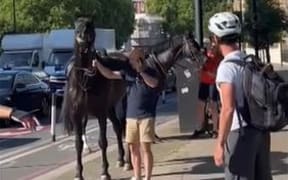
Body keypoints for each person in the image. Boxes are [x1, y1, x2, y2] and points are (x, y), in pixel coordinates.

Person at [209, 12, 272, 179]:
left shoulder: (226, 67)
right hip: (260, 131)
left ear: (216, 38)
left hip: (240, 134)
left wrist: (220, 144)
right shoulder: (250, 60)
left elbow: (228, 109)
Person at [92, 48, 160, 180]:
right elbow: (110, 74)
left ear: (139, 61)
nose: (130, 64)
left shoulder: (151, 72)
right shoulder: (127, 72)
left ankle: (147, 177)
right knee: (133, 148)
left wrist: (141, 72)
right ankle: (137, 176)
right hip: (131, 117)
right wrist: (99, 65)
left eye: (132, 62)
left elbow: (153, 84)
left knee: (145, 148)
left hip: (146, 116)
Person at [191, 38, 222, 138]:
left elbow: (215, 75)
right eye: (210, 46)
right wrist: (199, 70)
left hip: (212, 83)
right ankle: (199, 128)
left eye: (213, 47)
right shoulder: (205, 56)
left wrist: (205, 70)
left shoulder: (219, 58)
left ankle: (215, 129)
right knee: (200, 105)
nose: (211, 48)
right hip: (204, 82)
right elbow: (200, 72)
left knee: (213, 105)